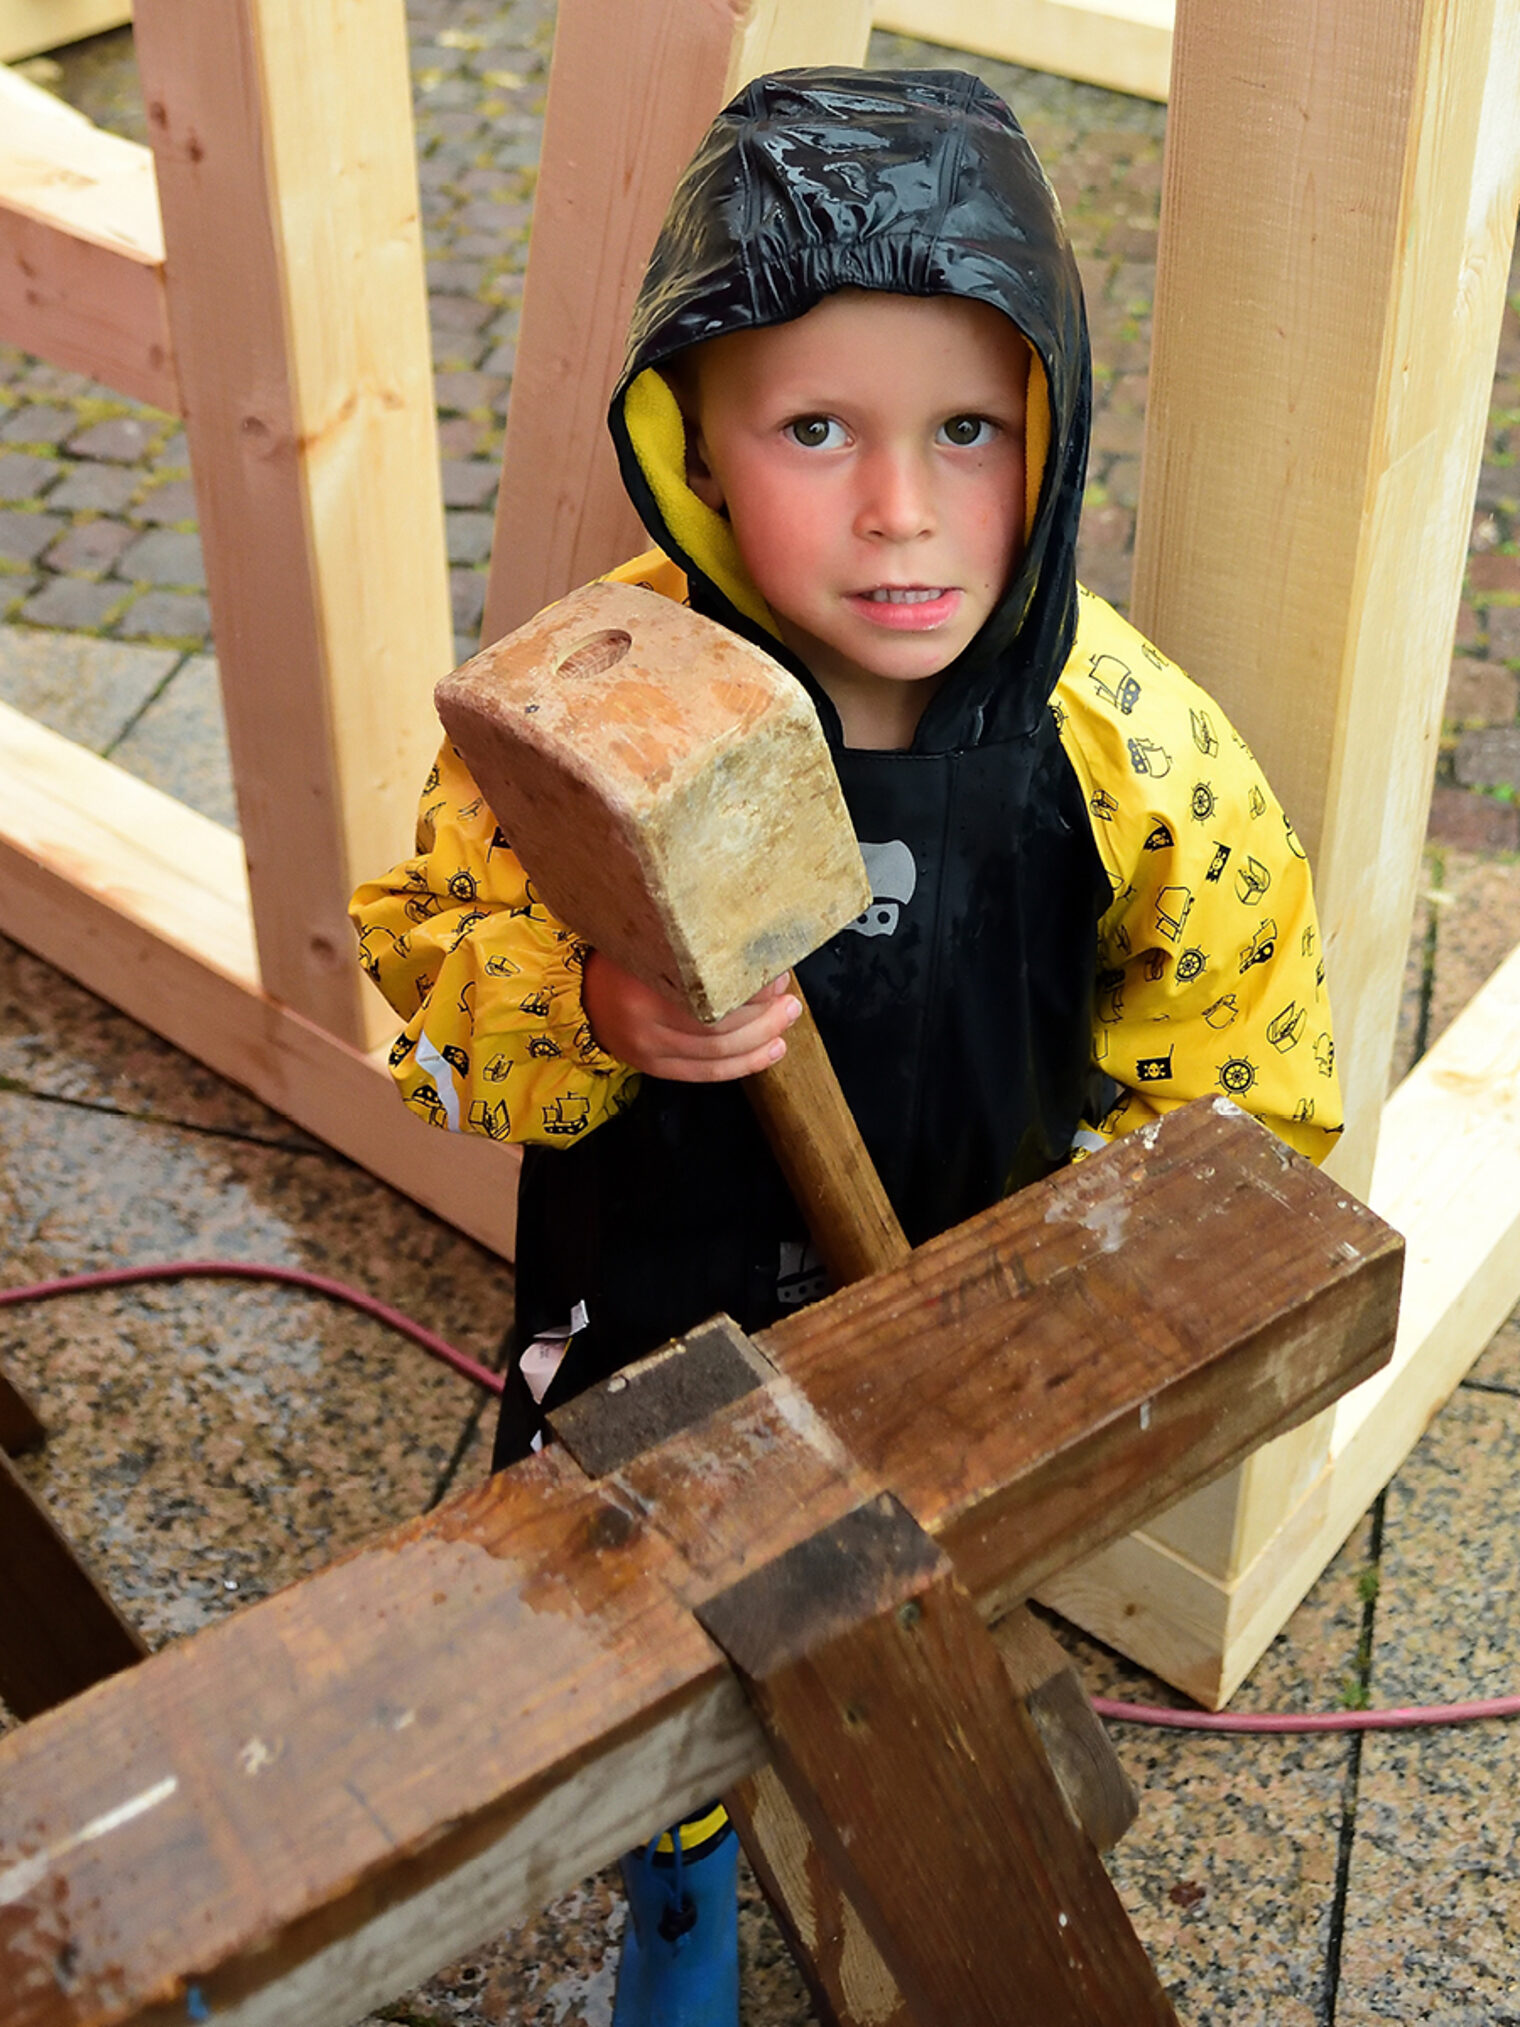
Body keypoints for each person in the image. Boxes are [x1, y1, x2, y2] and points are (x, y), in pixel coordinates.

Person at [351, 66, 1342, 2027]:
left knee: (906, 1610)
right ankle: (682, 1860)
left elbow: (1243, 1058)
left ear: (1046, 429)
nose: (900, 509)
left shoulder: (1123, 747)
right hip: (662, 1303)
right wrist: (587, 1006)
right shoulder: (593, 707)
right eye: (815, 429)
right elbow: (426, 961)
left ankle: (903, 1794)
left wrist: (1095, 1288)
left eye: (965, 429)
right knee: (639, 1605)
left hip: (958, 1313)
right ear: (694, 449)